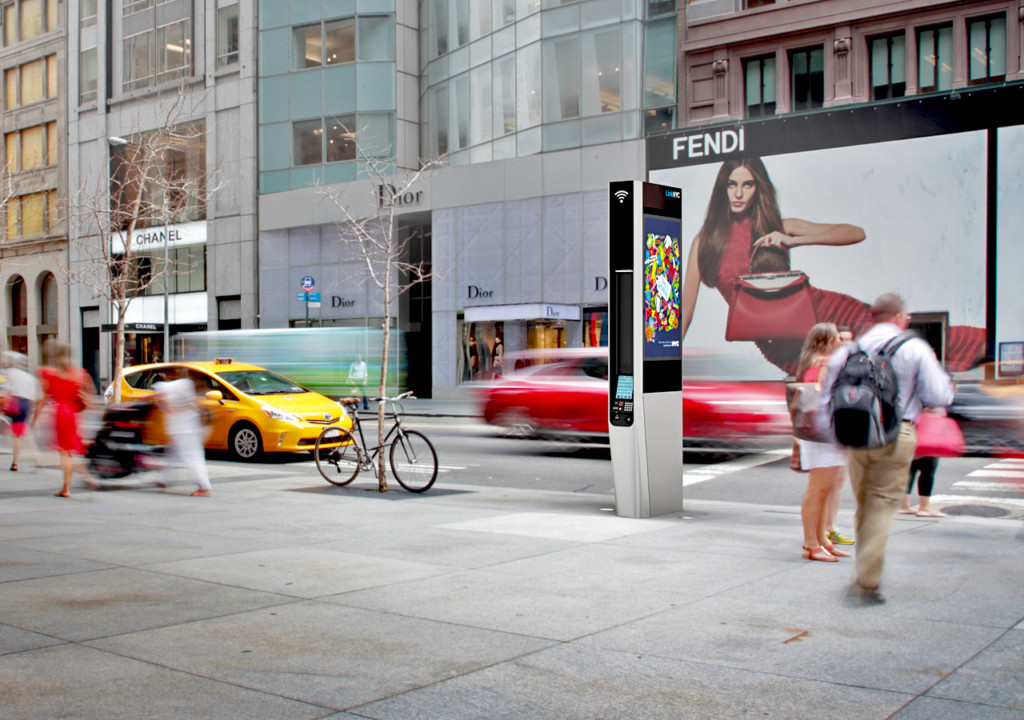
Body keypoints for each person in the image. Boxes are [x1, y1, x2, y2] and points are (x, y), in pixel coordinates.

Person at [680, 157, 986, 376]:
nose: (738, 193)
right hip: (782, 344)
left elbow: (855, 232)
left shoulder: (780, 225)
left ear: (758, 189)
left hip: (826, 313)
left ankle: (993, 352)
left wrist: (794, 241)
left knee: (899, 348)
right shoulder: (704, 242)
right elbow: (685, 312)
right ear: (723, 188)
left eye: (747, 185)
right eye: (732, 184)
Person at [819, 293, 955, 604]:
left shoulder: (850, 349)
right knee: (880, 502)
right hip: (896, 433)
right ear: (899, 317)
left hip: (856, 434)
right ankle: (867, 580)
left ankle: (863, 568)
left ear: (872, 317)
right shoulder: (914, 347)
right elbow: (938, 395)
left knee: (865, 502)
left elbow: (827, 396)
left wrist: (831, 435)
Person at [794, 323, 851, 562]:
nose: (841, 339)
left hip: (817, 432)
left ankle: (821, 541)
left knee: (822, 490)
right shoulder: (824, 364)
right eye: (837, 335)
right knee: (819, 490)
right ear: (828, 339)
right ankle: (811, 544)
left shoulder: (812, 362)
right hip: (823, 433)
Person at [36, 341, 91, 498]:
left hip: (59, 412)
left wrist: (35, 418)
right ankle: (75, 482)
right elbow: (86, 395)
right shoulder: (78, 373)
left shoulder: (50, 374)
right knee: (70, 450)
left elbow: (43, 398)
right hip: (73, 413)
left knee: (65, 452)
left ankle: (66, 488)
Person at [153, 367, 211, 496]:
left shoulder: (168, 386)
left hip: (182, 429)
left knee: (192, 457)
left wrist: (165, 406)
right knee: (173, 454)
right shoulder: (186, 384)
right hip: (188, 427)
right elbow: (193, 405)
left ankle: (204, 486)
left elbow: (158, 398)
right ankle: (164, 479)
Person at [2, 351, 40, 471]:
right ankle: (35, 456)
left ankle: (16, 462)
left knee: (16, 435)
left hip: (15, 404)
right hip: (26, 403)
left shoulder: (8, 373)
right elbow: (34, 395)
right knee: (21, 430)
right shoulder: (29, 376)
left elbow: (6, 389)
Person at [899, 447, 946, 518]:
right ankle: (924, 507)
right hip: (927, 445)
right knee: (927, 472)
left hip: (910, 444)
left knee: (910, 472)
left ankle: (904, 505)